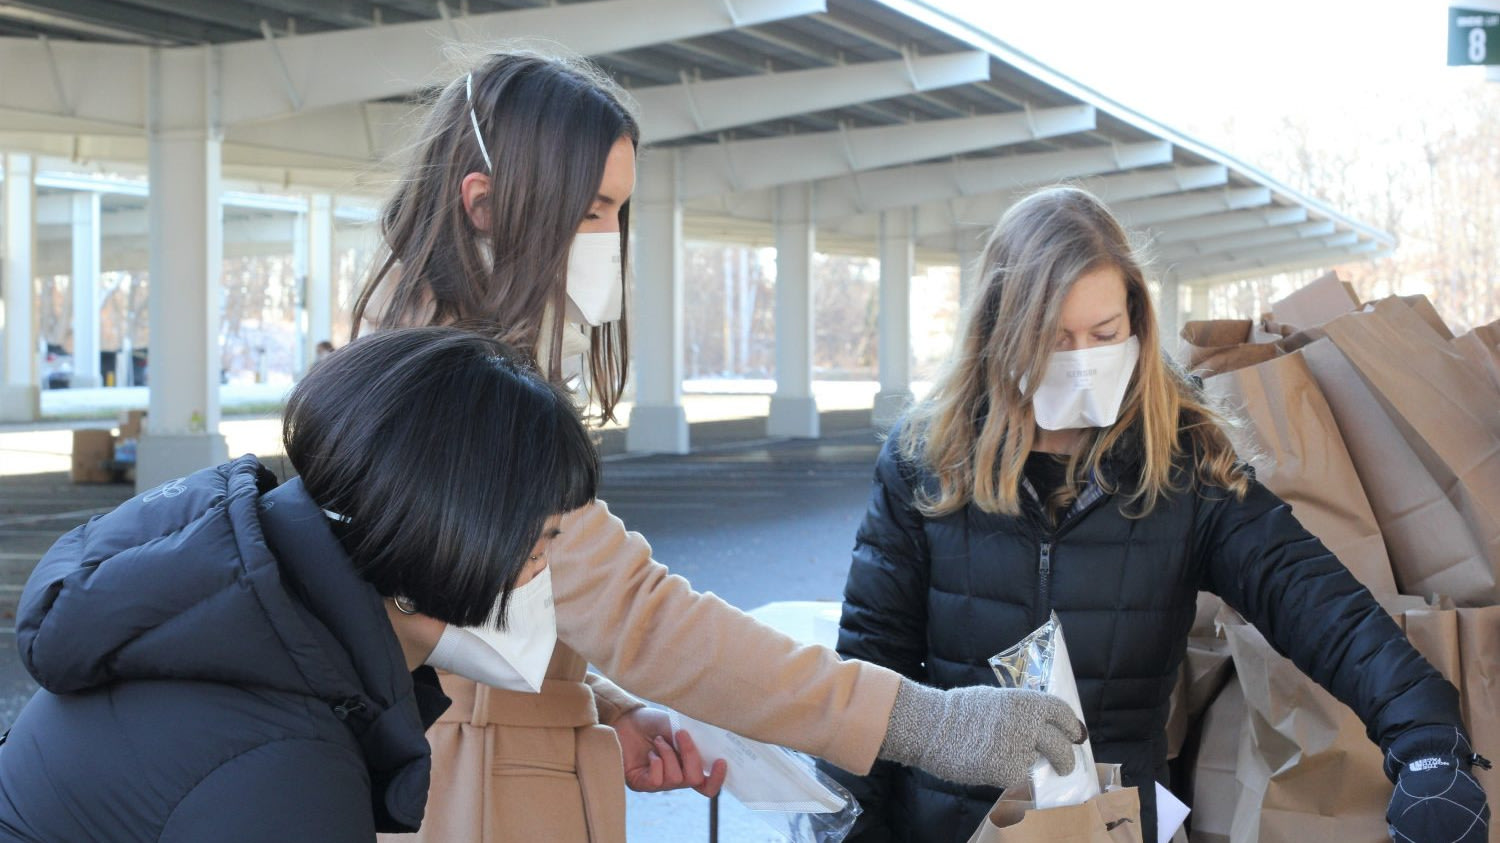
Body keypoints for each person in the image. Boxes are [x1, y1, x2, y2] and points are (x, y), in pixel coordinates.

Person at [355, 50, 1086, 843]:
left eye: (618, 213)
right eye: (592, 208)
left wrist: (599, 701)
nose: (608, 240)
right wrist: (926, 722)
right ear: (485, 204)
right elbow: (638, 612)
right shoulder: (461, 397)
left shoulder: (413, 358)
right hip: (471, 800)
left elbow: (485, 620)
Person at [826, 185, 1492, 842]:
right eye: (1054, 338)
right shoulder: (926, 463)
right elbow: (869, 667)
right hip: (948, 826)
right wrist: (850, 823)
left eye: (1103, 332)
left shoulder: (1184, 468)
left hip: (1110, 827)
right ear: (1001, 333)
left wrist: (1425, 734)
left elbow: (1314, 600)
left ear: (1136, 325)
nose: (1082, 358)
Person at [0, 327, 598, 841]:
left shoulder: (230, 625)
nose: (546, 570)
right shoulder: (288, 767)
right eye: (540, 541)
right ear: (435, 546)